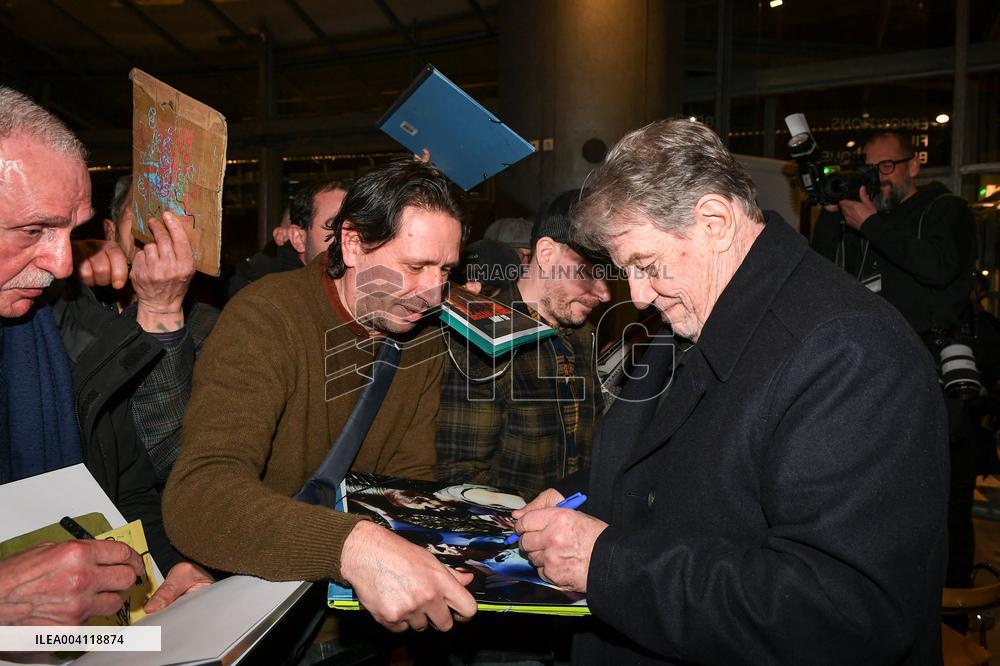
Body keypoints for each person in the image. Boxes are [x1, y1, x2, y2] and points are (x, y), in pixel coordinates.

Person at [511, 119, 949, 664]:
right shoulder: (696, 310)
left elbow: (840, 609)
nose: (640, 296)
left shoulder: (850, 351)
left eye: (645, 266)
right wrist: (581, 493)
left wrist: (605, 564)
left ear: (715, 222)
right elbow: (680, 464)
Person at [164, 160, 478, 635]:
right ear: (351, 243)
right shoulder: (266, 317)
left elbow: (405, 480)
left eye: (445, 269)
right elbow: (199, 494)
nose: (432, 294)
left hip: (350, 618)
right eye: (414, 267)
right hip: (256, 600)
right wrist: (352, 547)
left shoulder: (423, 335)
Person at [0, 85, 211, 625]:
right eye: (32, 230)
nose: (62, 263)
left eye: (71, 230)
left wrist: (166, 570)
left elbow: (125, 487)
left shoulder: (60, 328)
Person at [812, 130, 978, 590]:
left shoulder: (947, 211)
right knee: (883, 503)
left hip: (939, 379)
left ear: (914, 164)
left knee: (945, 508)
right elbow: (822, 271)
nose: (879, 178)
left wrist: (869, 225)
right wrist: (833, 216)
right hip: (876, 380)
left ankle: (953, 621)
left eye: (887, 167)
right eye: (871, 168)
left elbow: (937, 267)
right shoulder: (866, 221)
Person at [437, 190, 611, 498]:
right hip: (511, 537)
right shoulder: (482, 337)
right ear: (546, 254)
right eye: (588, 272)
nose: (604, 293)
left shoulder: (584, 333)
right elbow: (463, 478)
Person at [57, 174, 219, 484]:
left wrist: (162, 311)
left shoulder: (214, 328)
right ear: (111, 231)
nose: (163, 224)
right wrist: (57, 272)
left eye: (177, 214)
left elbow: (168, 461)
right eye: (145, 209)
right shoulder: (68, 303)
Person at [227, 179, 350, 299]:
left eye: (362, 227)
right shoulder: (265, 298)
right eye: (334, 226)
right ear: (299, 238)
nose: (352, 238)